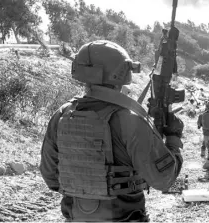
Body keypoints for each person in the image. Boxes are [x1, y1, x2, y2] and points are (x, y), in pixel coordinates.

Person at [40, 40, 184, 222]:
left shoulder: (61, 115)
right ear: (121, 74)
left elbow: (50, 177)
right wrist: (173, 139)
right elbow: (164, 179)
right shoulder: (129, 119)